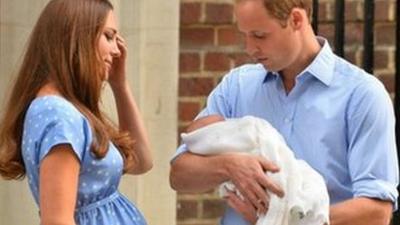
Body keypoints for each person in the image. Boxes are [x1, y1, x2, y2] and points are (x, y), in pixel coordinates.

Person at [169, 0, 399, 224]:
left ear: (296, 19)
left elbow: (377, 213)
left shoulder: (362, 95)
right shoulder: (237, 86)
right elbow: (179, 175)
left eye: (259, 36)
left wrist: (285, 218)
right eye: (245, 35)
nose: (250, 49)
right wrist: (229, 166)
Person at [0, 0, 152, 224]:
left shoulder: (70, 110)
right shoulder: (57, 114)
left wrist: (120, 85)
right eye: (108, 36)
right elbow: (57, 220)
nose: (117, 50)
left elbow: (142, 161)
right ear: (77, 38)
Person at [183, 115, 330, 225]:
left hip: (284, 166)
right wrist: (228, 166)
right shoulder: (232, 87)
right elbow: (178, 172)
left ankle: (299, 204)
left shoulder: (251, 128)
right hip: (272, 185)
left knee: (305, 182)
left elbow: (261, 136)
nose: (221, 121)